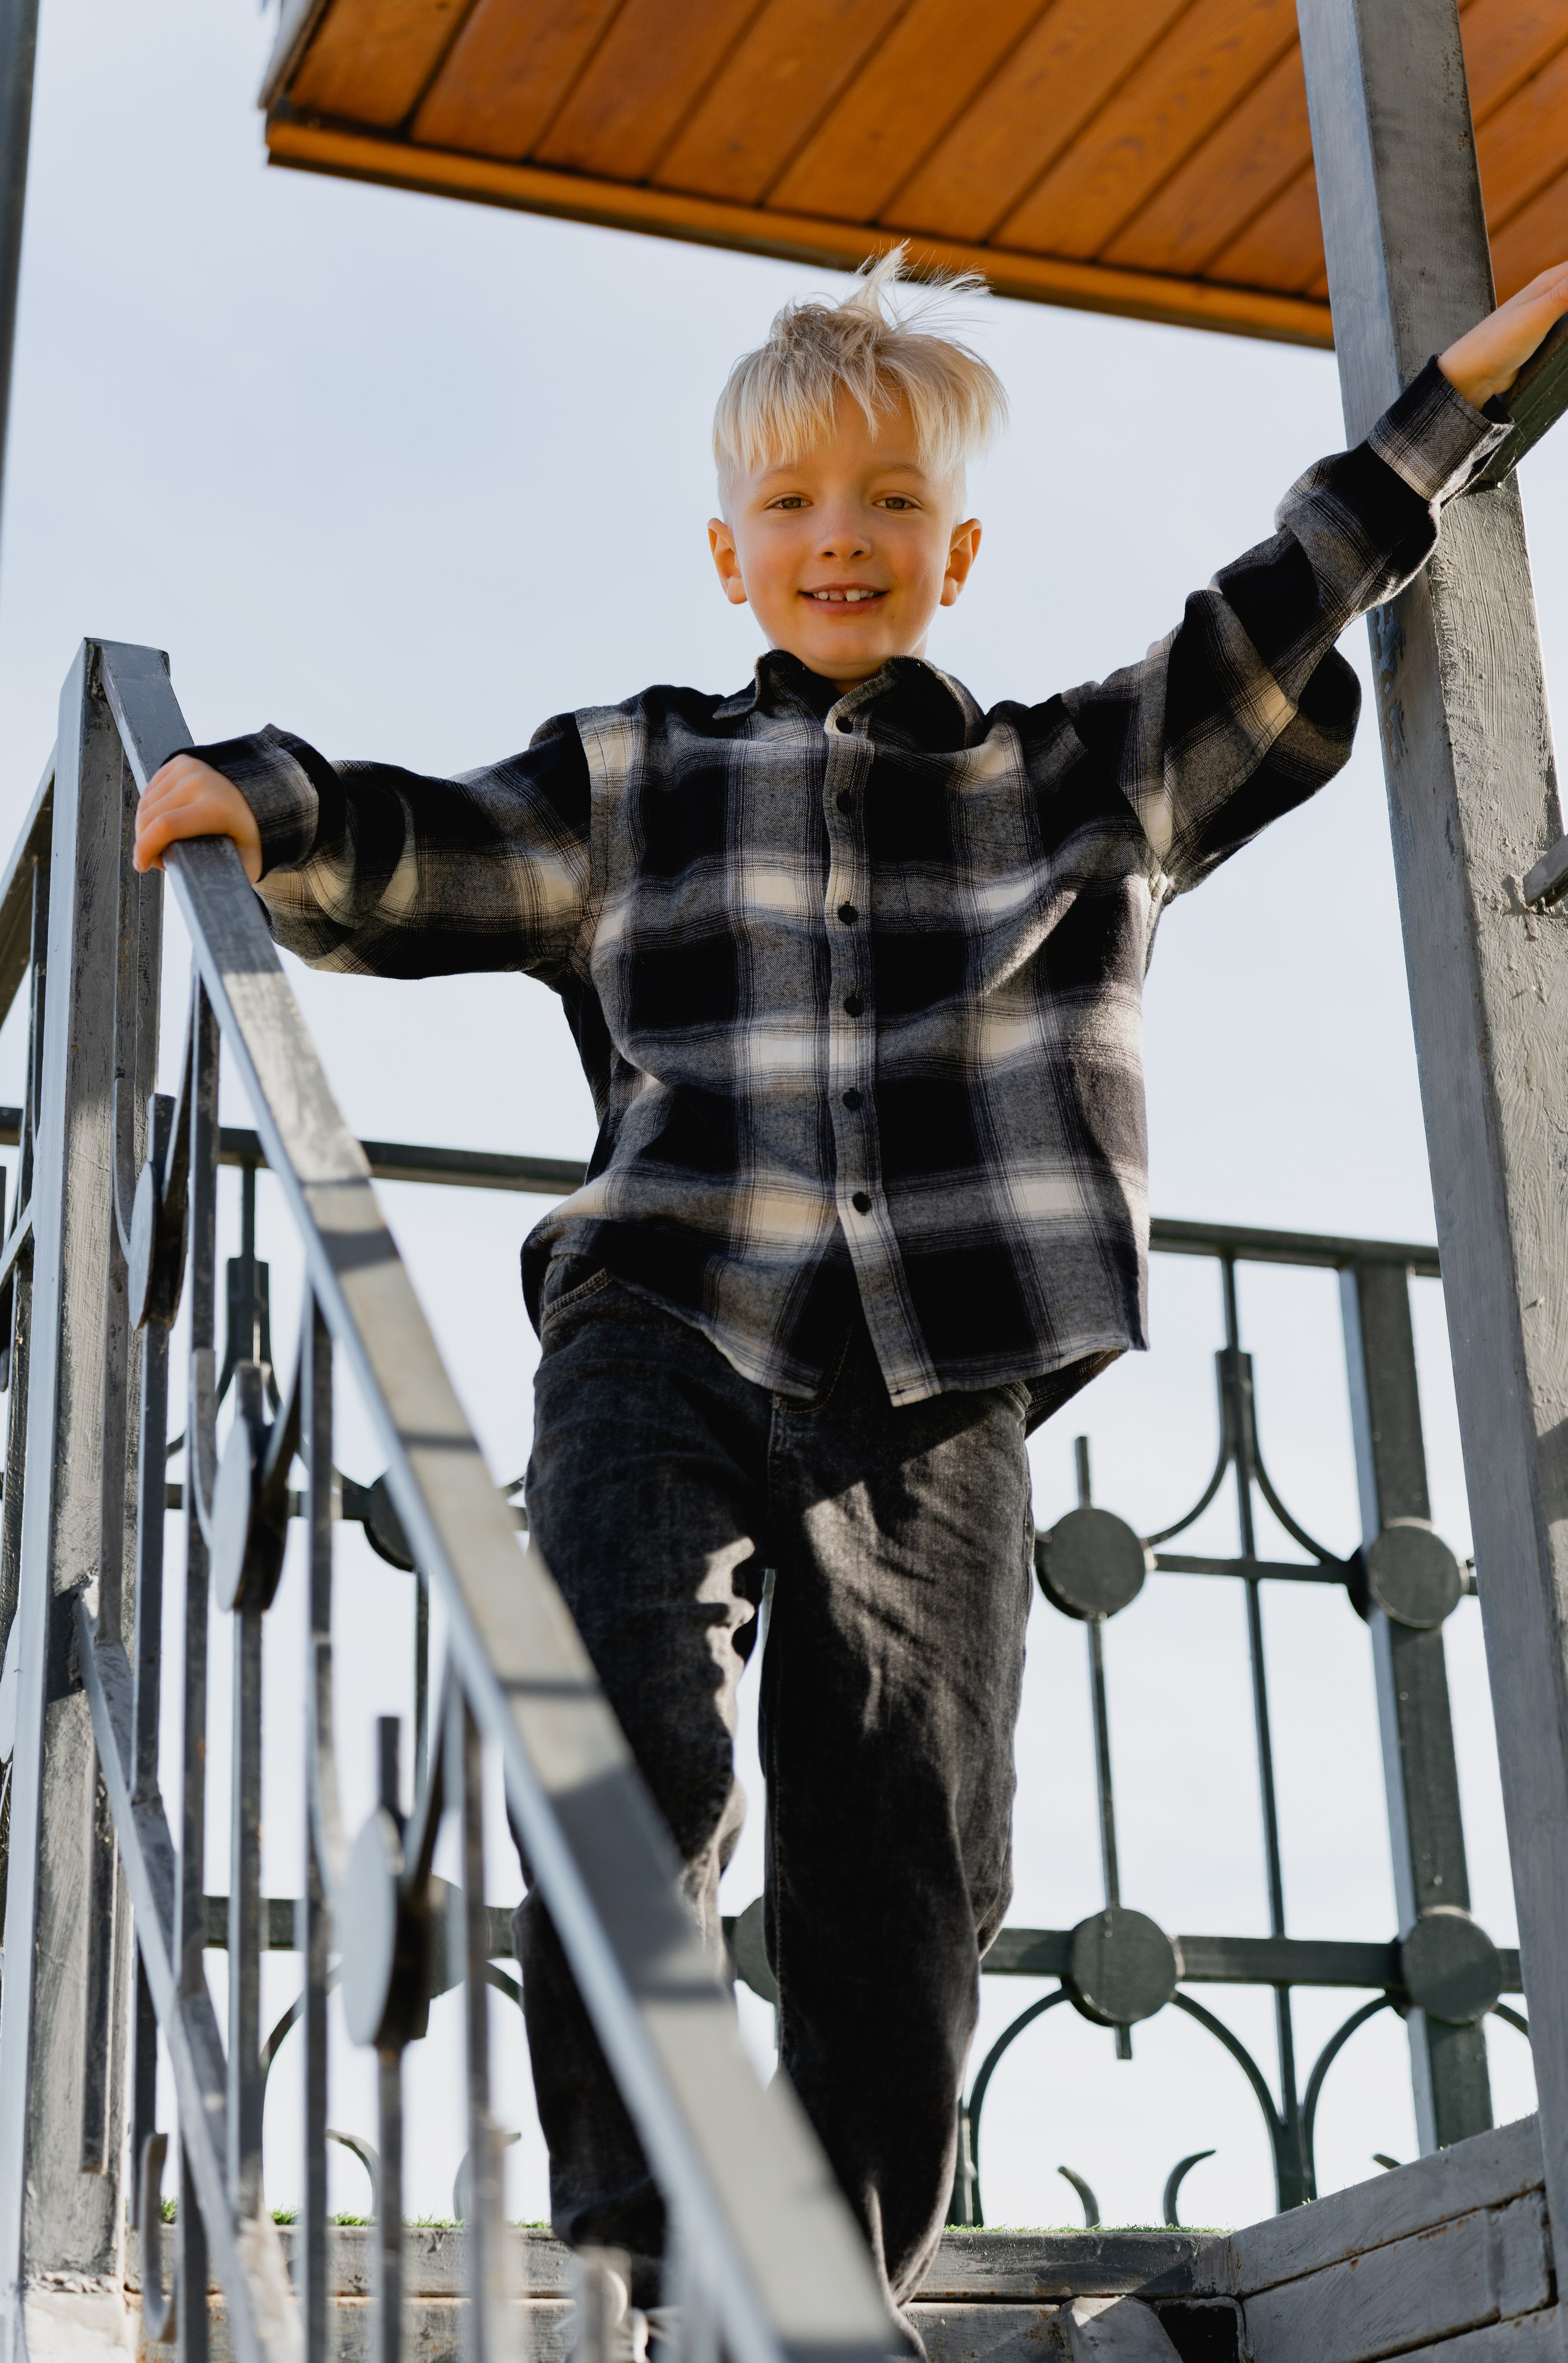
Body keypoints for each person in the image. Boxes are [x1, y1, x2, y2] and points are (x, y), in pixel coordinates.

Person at [134, 250, 1568, 2338]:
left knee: (907, 1843)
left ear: (956, 548)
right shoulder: (638, 780)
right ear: (729, 548)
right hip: (666, 1322)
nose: (841, 542)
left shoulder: (1074, 779)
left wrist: (1452, 405)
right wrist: (266, 799)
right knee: (634, 1750)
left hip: (942, 1371)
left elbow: (1278, 605)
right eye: (796, 508)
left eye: (890, 504)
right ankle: (658, 2253)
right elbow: (425, 840)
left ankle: (828, 2285)